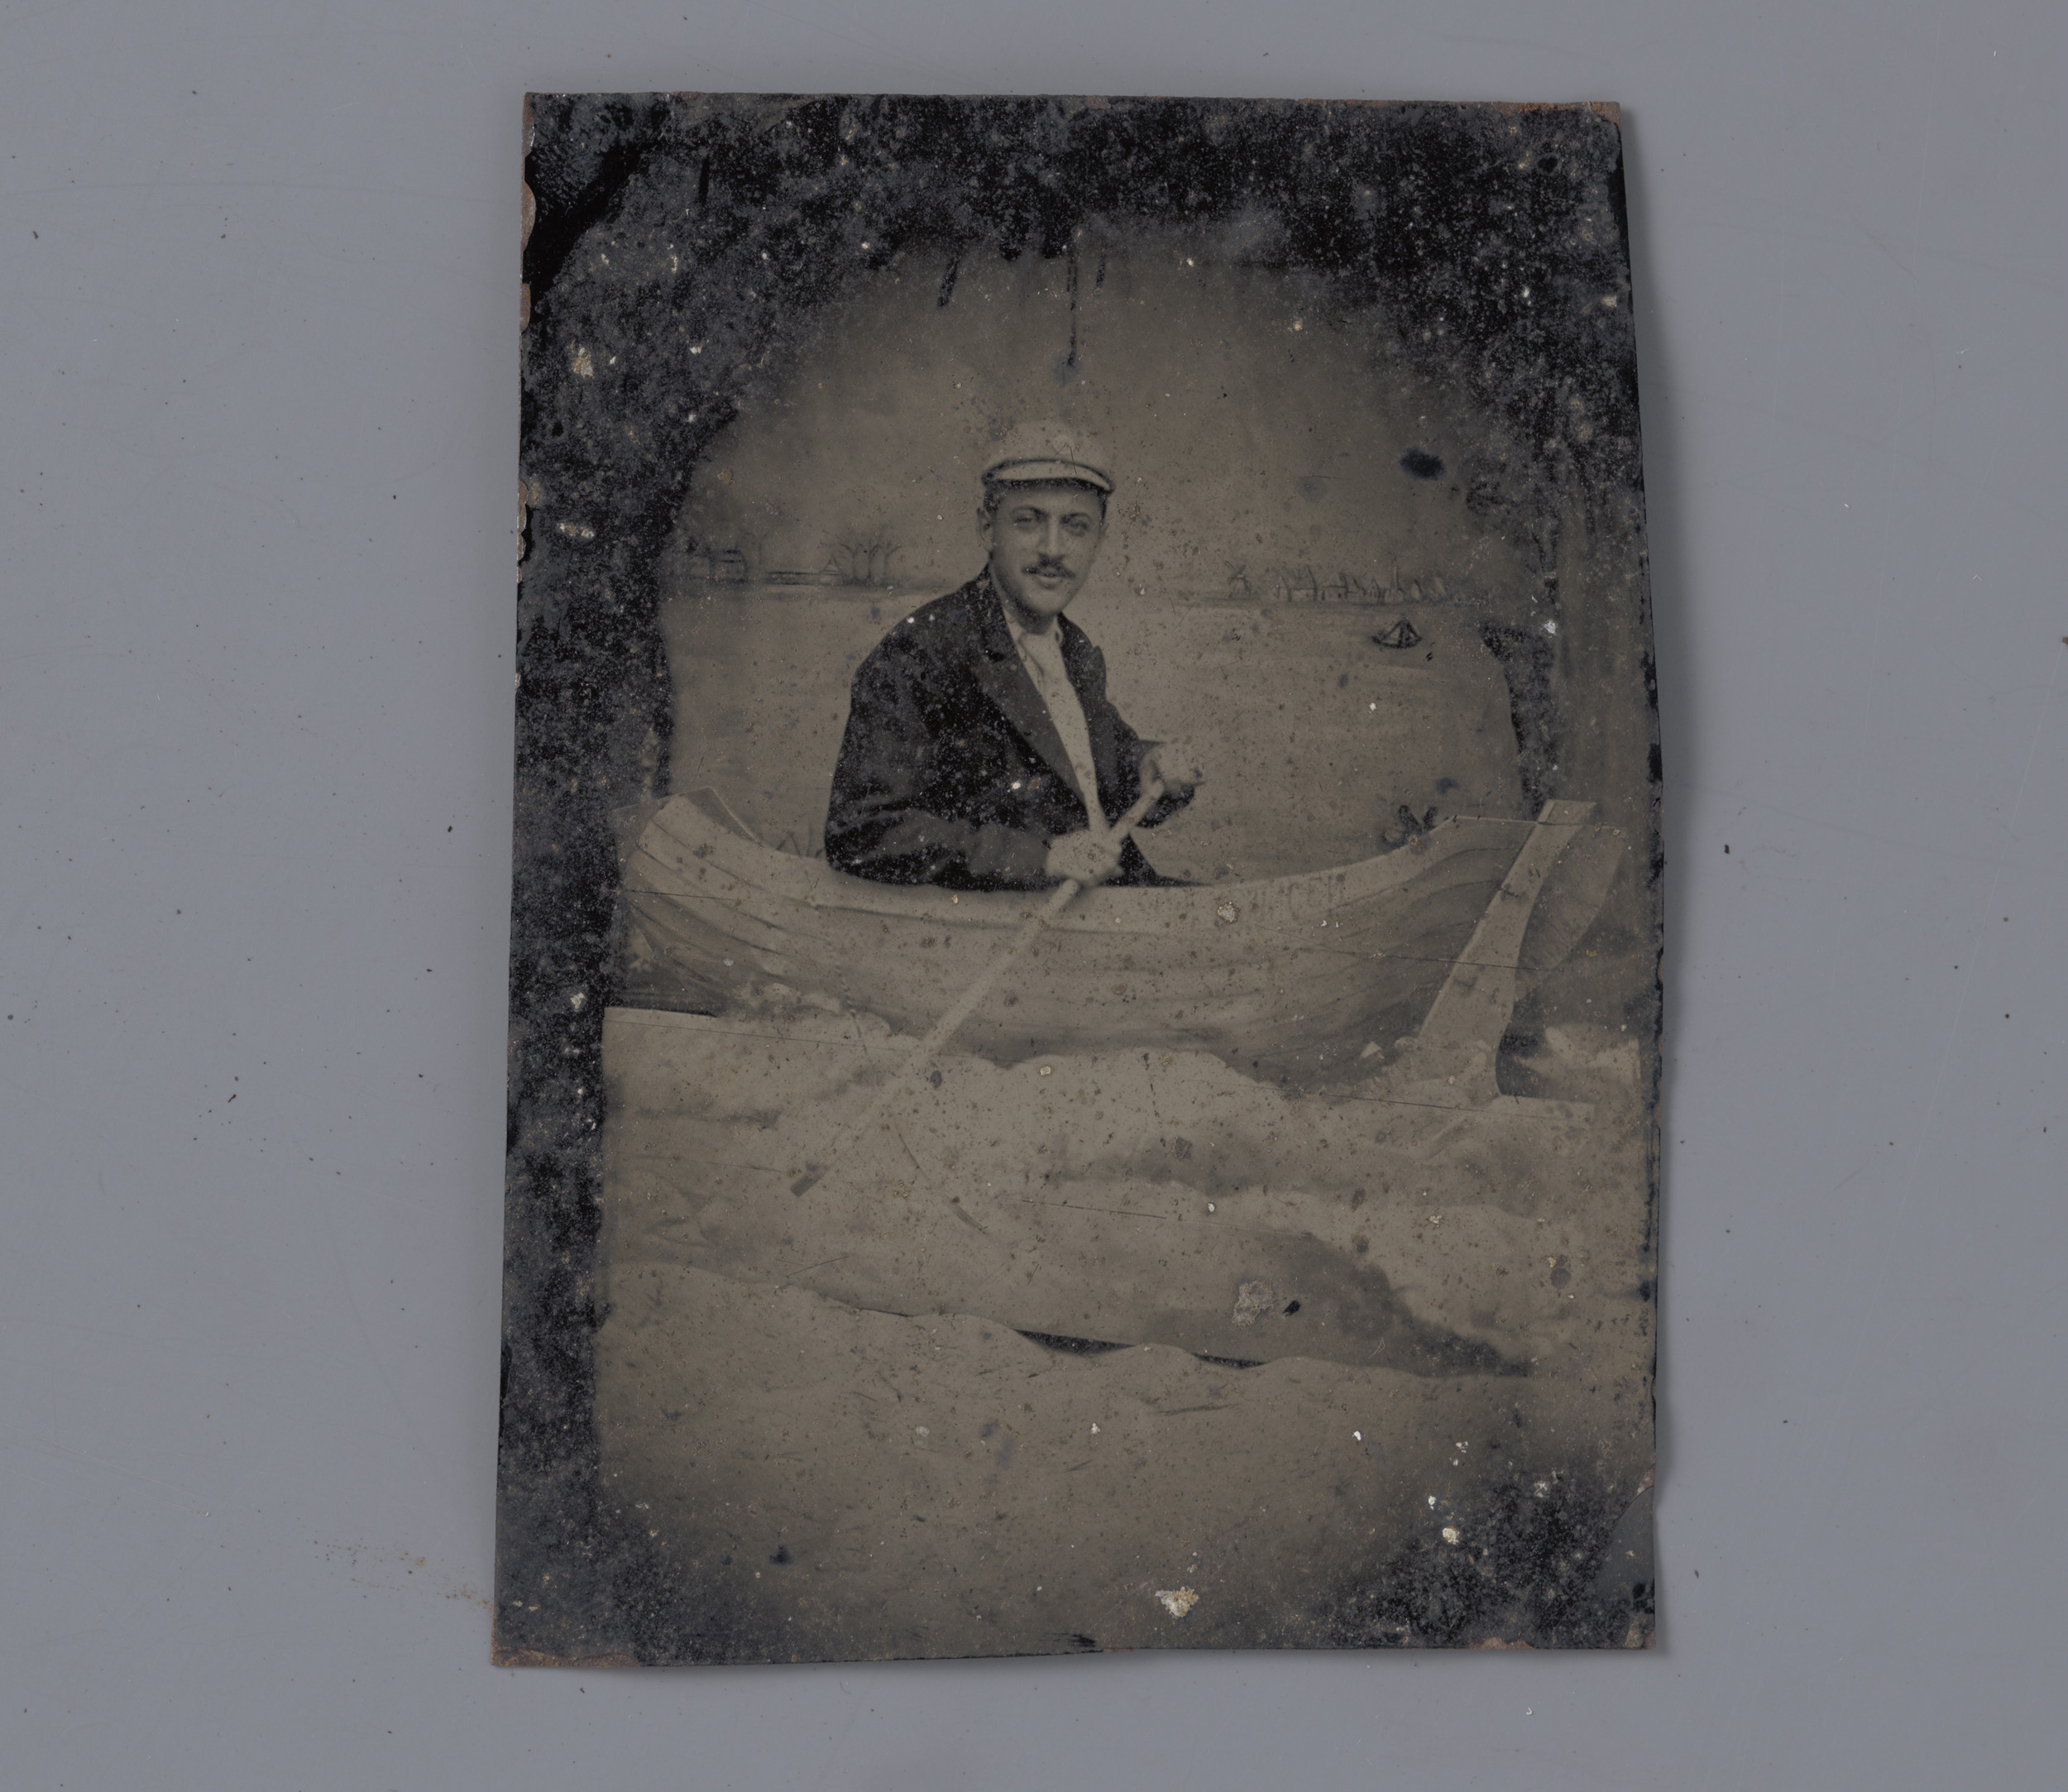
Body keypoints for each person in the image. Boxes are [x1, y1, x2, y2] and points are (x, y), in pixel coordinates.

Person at [825, 424, 1205, 890]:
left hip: (1106, 898)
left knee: (1244, 914)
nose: (1053, 549)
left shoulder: (1071, 648)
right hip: (1017, 911)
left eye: (1075, 526)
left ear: (1098, 540)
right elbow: (861, 831)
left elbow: (1093, 773)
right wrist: (1043, 858)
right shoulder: (922, 649)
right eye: (1028, 521)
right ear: (987, 528)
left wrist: (1149, 765)